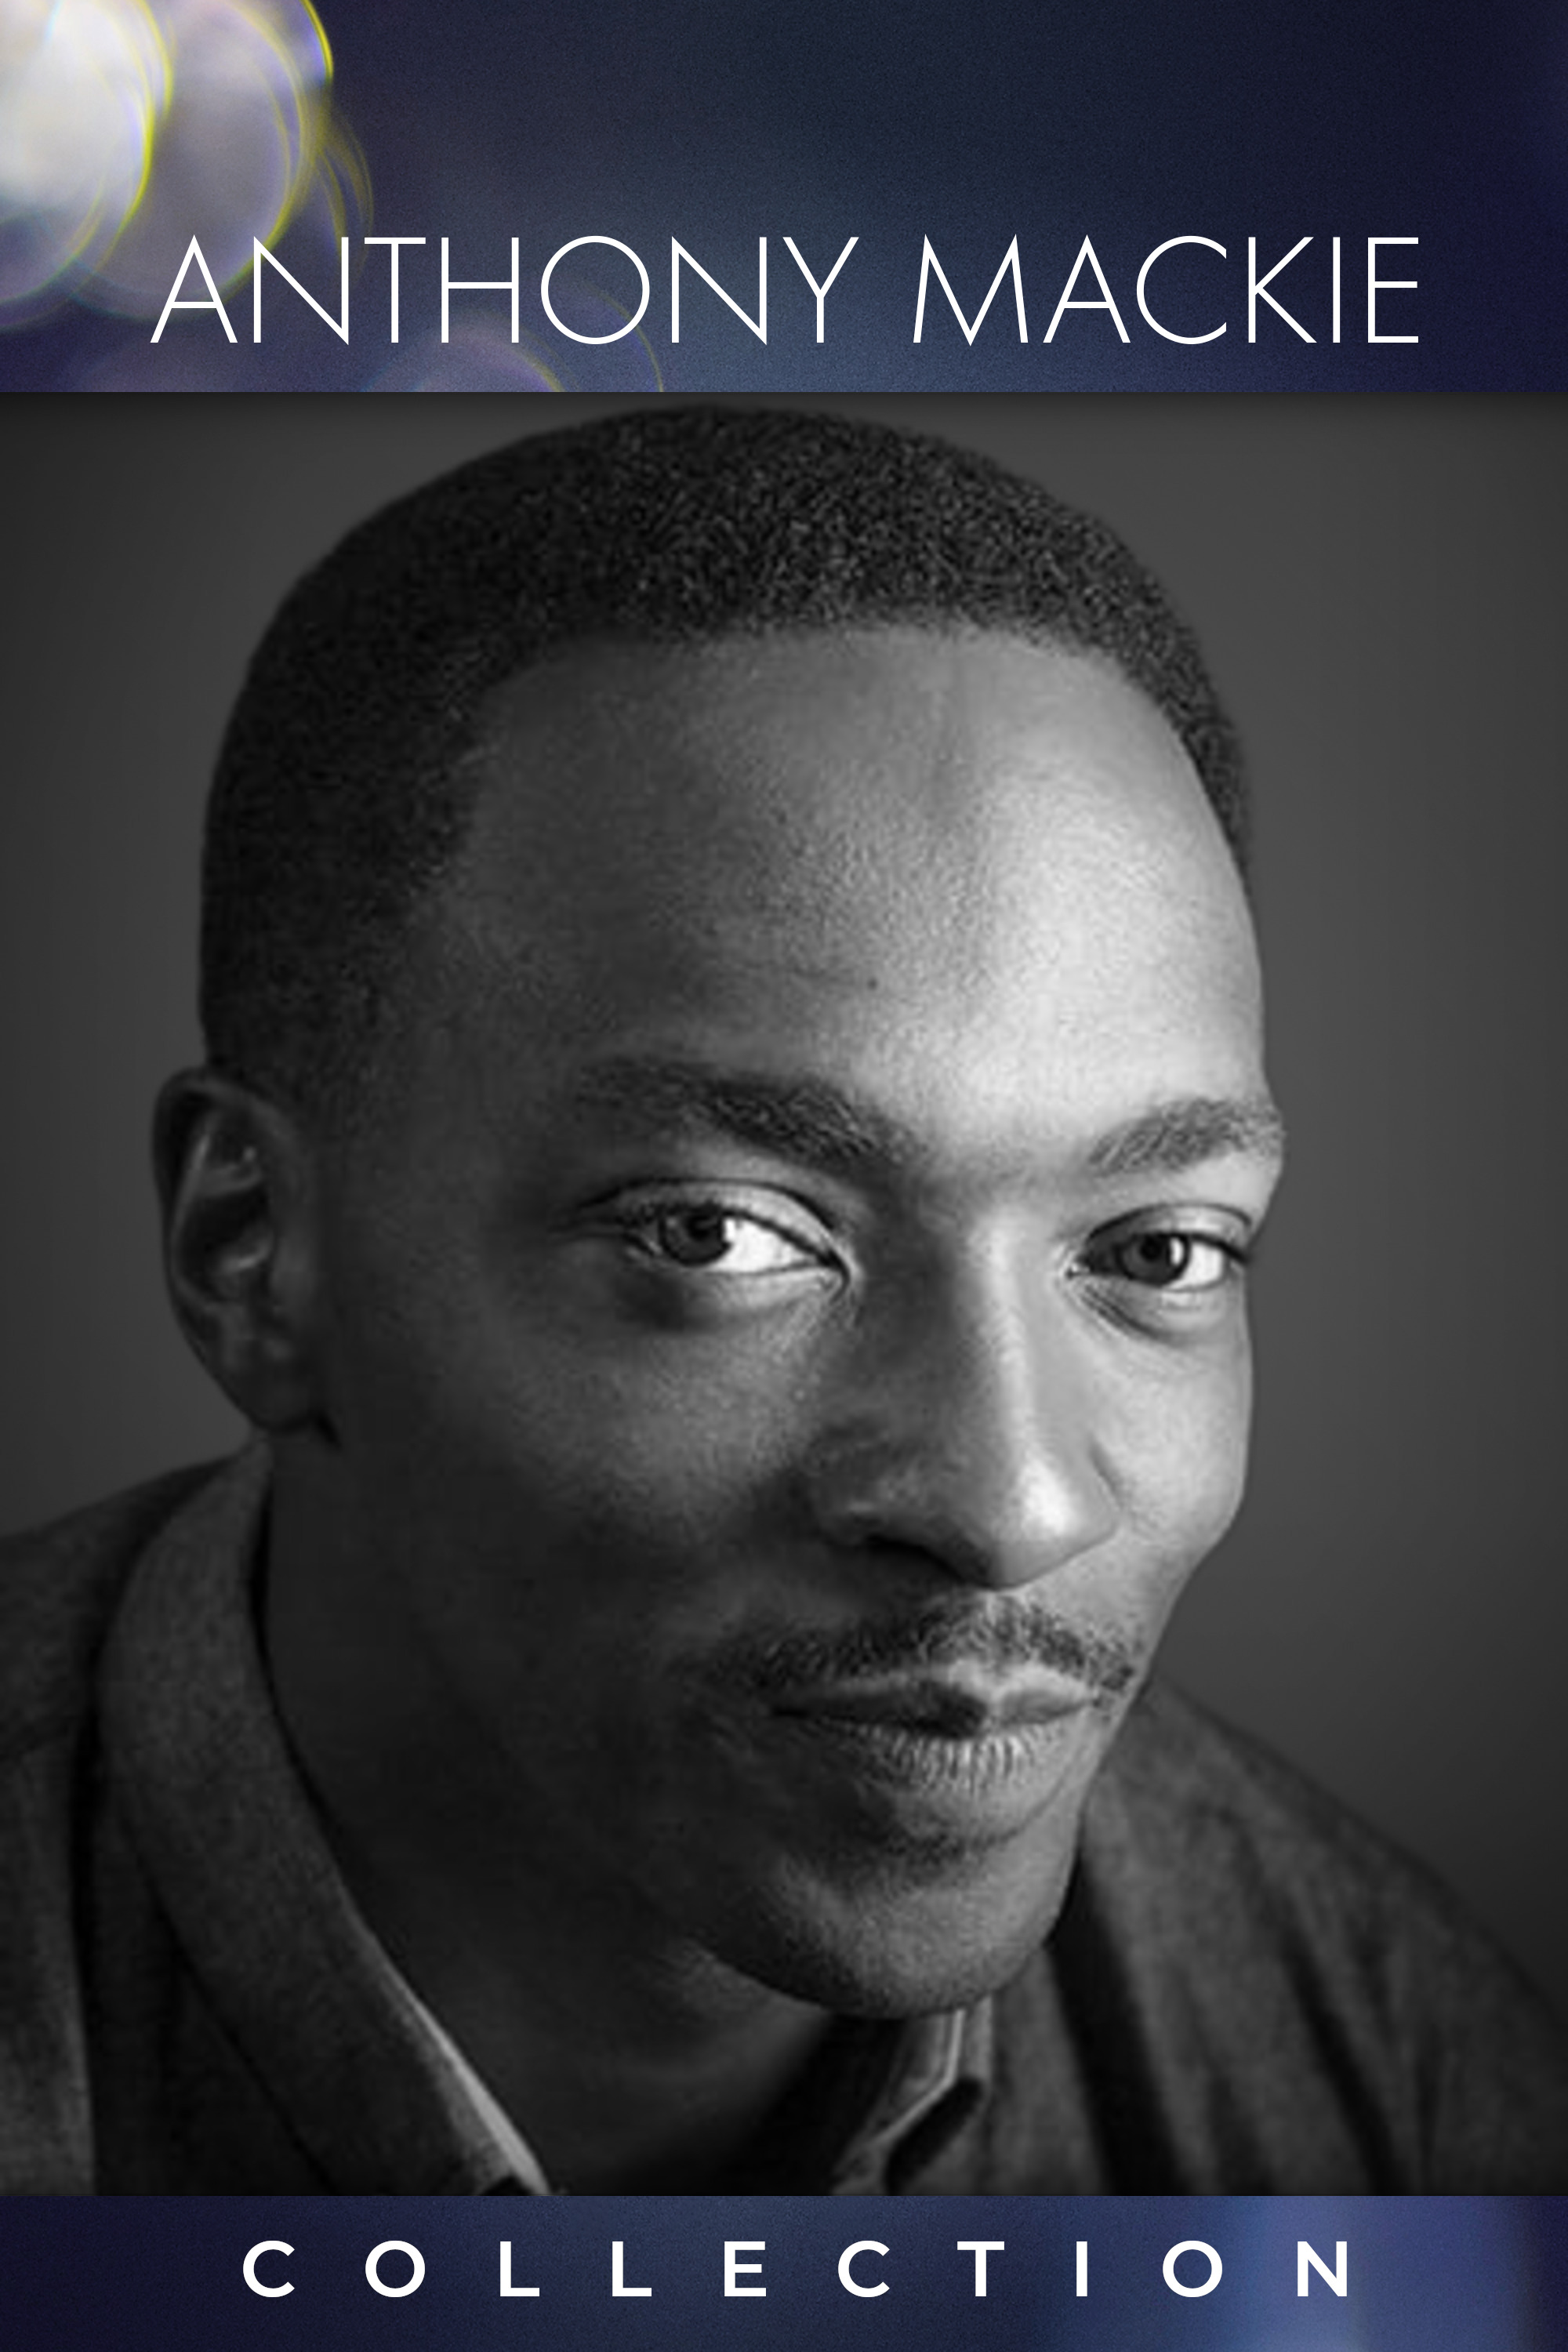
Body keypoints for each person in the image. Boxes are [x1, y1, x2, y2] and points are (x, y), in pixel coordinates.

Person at [2, 405, 1563, 2195]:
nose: (1009, 1507)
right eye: (718, 1235)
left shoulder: (1406, 2097)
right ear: (253, 1252)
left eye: (1156, 1252)